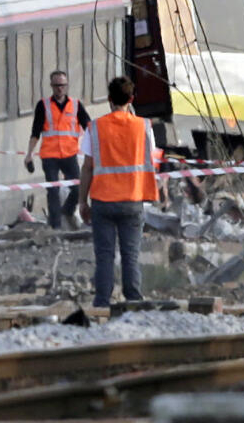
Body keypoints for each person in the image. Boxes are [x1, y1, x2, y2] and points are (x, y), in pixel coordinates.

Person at [79, 77, 159, 308]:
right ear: (131, 99)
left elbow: (87, 167)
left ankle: (102, 303)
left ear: (109, 99)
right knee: (130, 255)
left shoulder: (95, 127)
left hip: (103, 201)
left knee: (104, 255)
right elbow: (149, 156)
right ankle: (133, 301)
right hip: (133, 200)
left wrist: (82, 202)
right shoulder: (143, 127)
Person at [23, 71, 91, 229]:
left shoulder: (75, 105)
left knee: (78, 189)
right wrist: (29, 155)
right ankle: (55, 227)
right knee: (53, 191)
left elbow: (89, 126)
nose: (60, 88)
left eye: (63, 85)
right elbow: (35, 133)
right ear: (51, 86)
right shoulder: (44, 105)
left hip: (69, 154)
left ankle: (67, 211)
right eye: (57, 85)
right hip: (50, 156)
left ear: (66, 86)